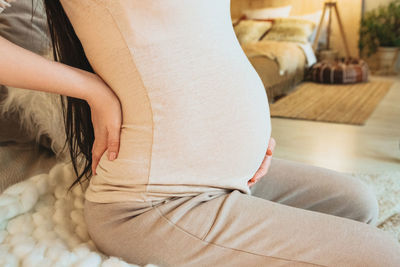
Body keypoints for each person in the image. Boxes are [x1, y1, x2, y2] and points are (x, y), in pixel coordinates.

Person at [1, 0, 399, 266]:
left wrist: (243, 136)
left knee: (358, 202)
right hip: (154, 202)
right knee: (383, 256)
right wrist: (91, 89)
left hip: (231, 176)